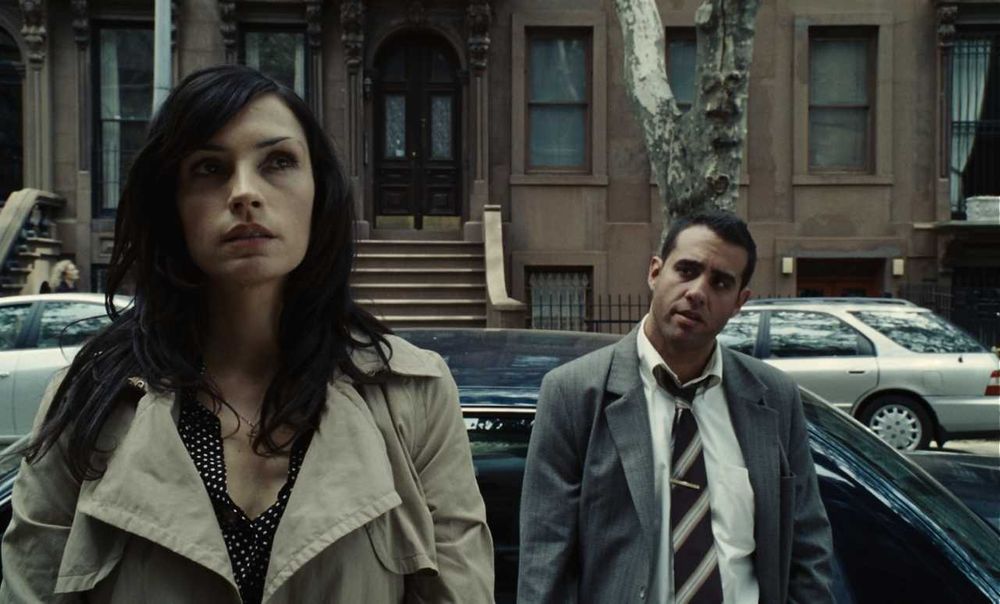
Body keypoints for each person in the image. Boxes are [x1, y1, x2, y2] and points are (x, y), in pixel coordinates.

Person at [0, 65, 494, 603]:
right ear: (173, 205)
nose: (244, 193)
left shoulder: (415, 394)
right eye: (209, 168)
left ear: (319, 191)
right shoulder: (89, 400)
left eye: (278, 162)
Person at [518, 210, 833, 603]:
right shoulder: (573, 393)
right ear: (655, 272)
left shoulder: (775, 397)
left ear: (739, 302)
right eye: (686, 270)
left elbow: (807, 545)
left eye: (720, 283)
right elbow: (545, 559)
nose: (698, 292)